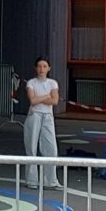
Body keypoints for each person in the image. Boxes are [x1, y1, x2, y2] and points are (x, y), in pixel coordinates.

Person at [20, 57, 61, 188]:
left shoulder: (52, 83)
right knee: (31, 146)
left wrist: (40, 98)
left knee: (51, 148)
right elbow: (32, 101)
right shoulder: (31, 83)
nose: (41, 69)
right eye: (39, 66)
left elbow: (55, 101)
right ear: (35, 68)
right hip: (34, 115)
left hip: (48, 116)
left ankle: (50, 180)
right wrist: (46, 96)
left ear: (49, 68)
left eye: (44, 66)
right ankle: (32, 180)